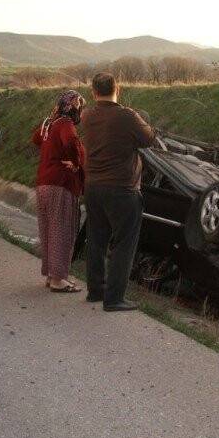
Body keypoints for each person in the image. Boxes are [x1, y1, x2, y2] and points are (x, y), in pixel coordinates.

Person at [81, 72, 156, 311]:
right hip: (122, 188)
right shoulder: (127, 116)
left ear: (93, 92)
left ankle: (95, 290)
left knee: (96, 240)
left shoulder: (87, 115)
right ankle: (114, 299)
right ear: (118, 89)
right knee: (124, 243)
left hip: (93, 186)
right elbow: (149, 139)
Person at [31, 90, 87, 293]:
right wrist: (76, 162)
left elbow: (36, 139)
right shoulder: (65, 124)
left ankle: (51, 275)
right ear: (74, 108)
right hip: (61, 184)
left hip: (44, 183)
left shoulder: (50, 123)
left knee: (48, 230)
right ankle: (58, 279)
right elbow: (70, 142)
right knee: (62, 230)